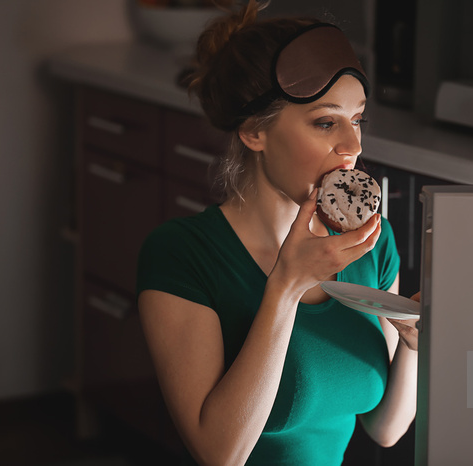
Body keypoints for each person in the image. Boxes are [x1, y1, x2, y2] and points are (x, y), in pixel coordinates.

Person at [136, 1, 419, 464]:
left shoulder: (372, 242)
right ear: (254, 132)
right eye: (326, 122)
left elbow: (385, 428)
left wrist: (415, 343)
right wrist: (286, 287)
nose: (353, 146)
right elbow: (220, 454)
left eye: (357, 119)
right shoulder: (182, 254)